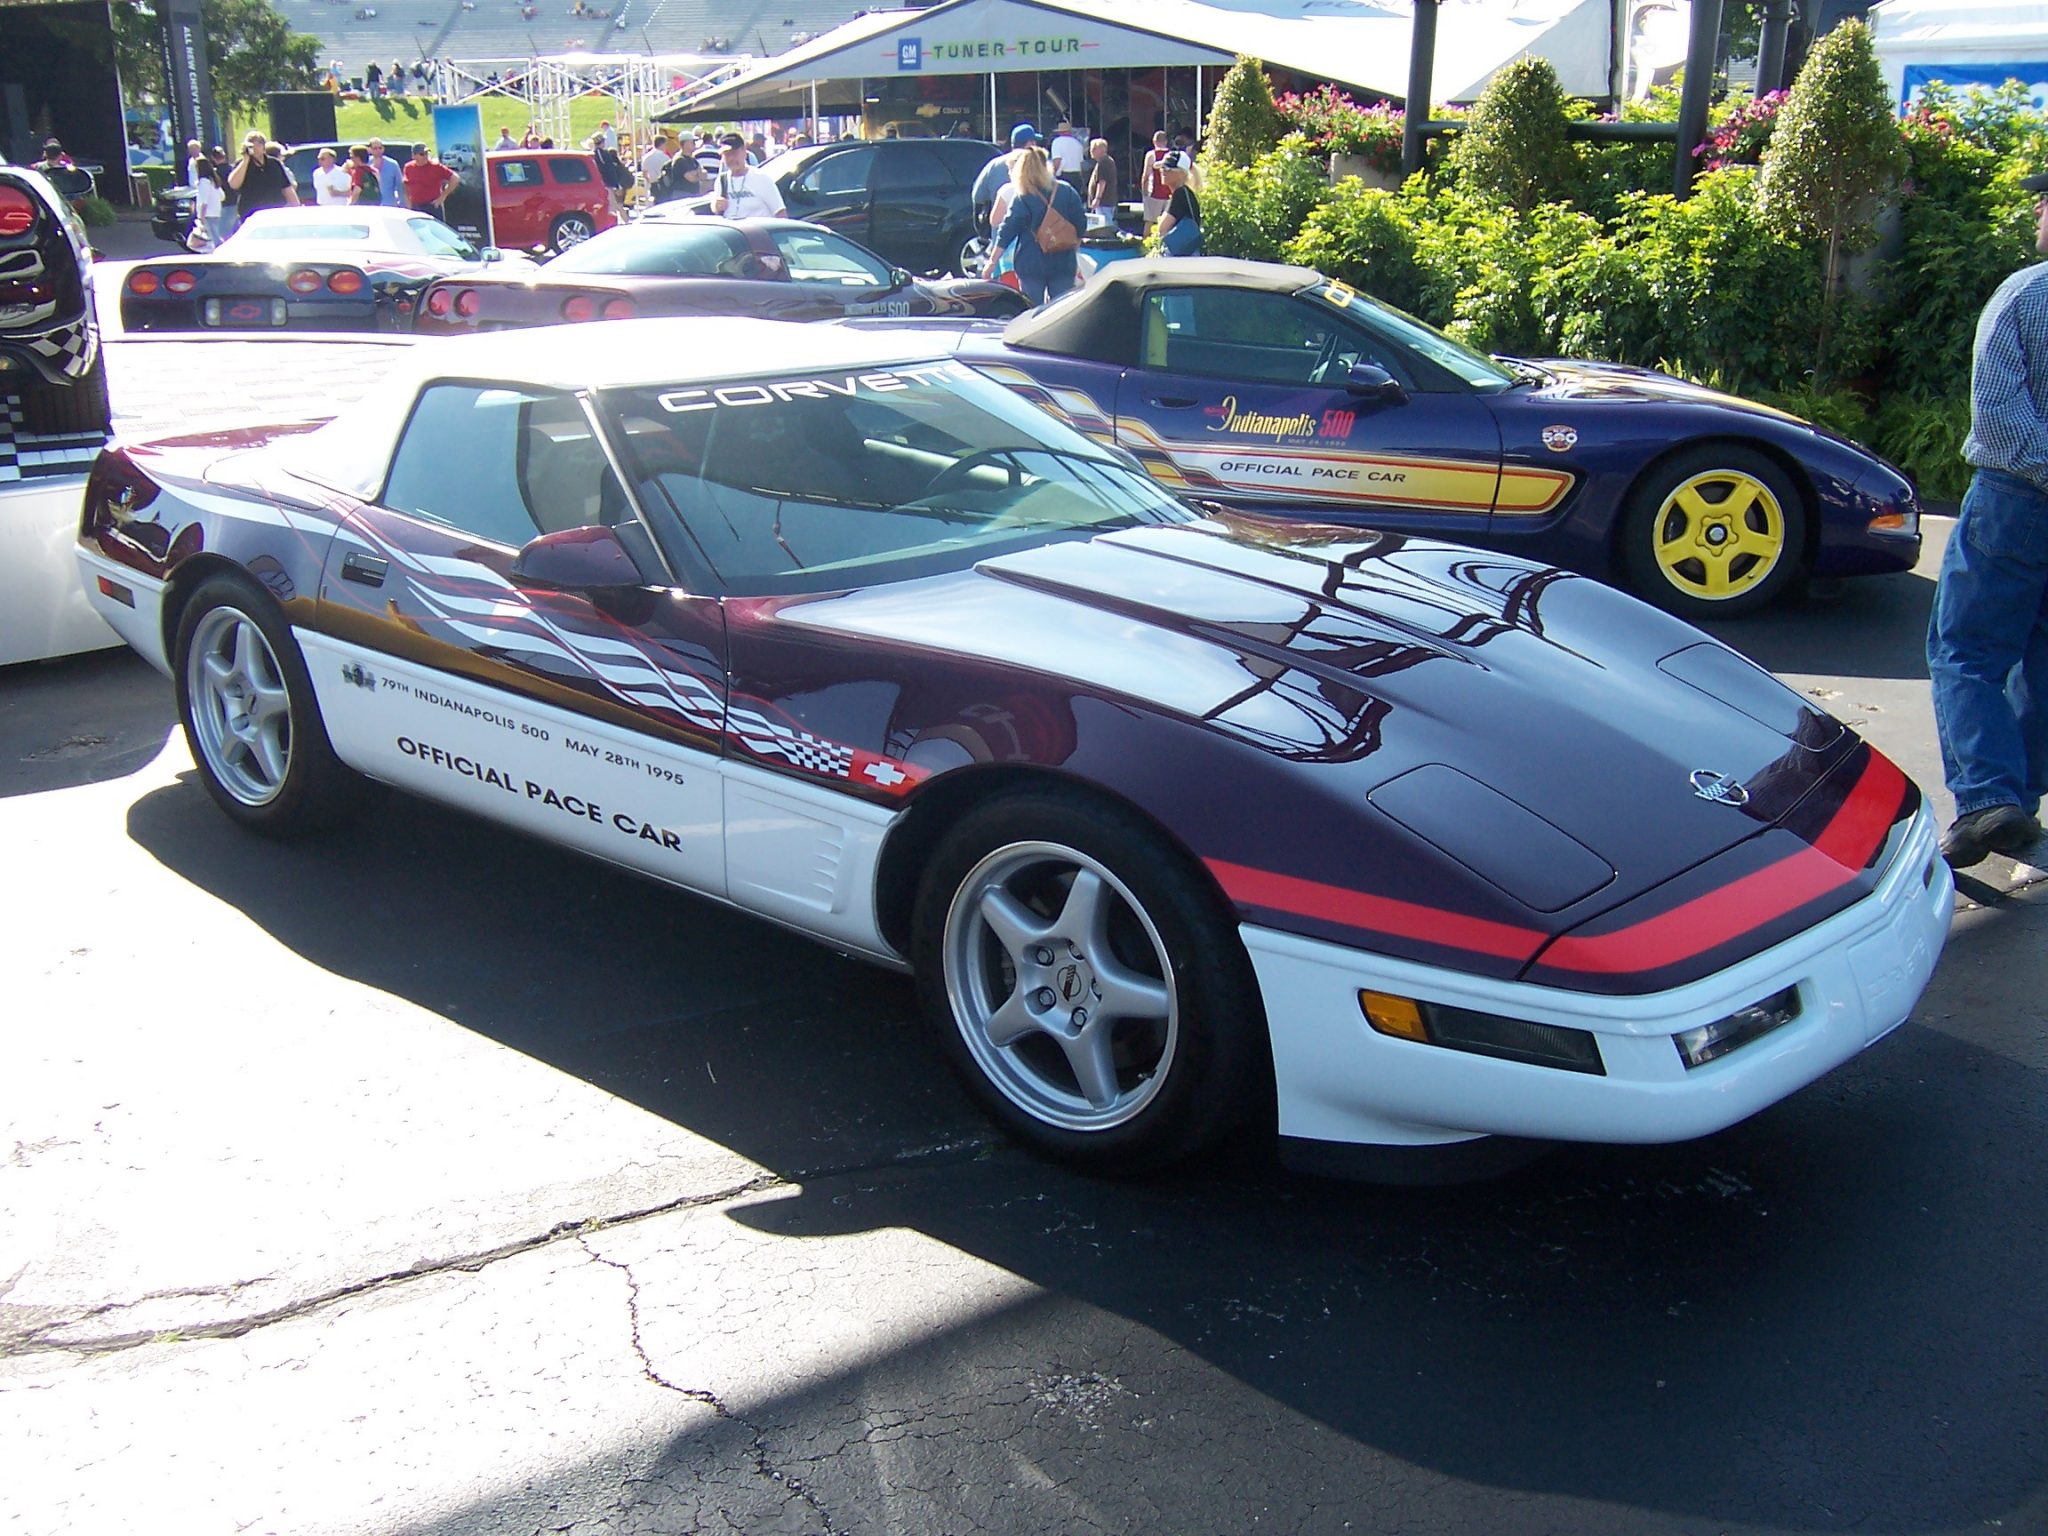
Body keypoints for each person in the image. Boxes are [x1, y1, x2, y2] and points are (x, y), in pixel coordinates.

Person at [1927, 168, 2048, 868]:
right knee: (2042, 653)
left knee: (1966, 650)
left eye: (2045, 197)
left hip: (2015, 500)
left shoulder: (2027, 293)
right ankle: (2018, 801)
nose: (2037, 205)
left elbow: (1999, 423)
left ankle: (1986, 797)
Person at [981, 144, 1084, 307]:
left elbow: (1007, 230)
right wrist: (1071, 247)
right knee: (1063, 309)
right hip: (1063, 261)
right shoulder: (1067, 191)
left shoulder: (1022, 196)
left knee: (1031, 310)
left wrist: (992, 262)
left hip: (1031, 262)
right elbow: (1081, 224)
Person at [973, 123, 1036, 231]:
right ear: (1031, 143)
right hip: (1034, 236)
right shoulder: (1040, 166)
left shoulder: (994, 165)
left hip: (1000, 234)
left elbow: (978, 197)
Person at [709, 132, 784, 218]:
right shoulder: (722, 181)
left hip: (758, 230)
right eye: (727, 154)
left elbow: (780, 212)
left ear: (744, 152)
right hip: (733, 230)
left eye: (734, 153)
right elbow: (717, 208)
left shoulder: (761, 178)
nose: (731, 158)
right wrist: (716, 207)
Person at [226, 132, 293, 215]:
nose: (255, 148)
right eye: (252, 146)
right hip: (250, 214)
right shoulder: (242, 165)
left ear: (264, 147)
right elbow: (233, 184)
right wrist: (246, 159)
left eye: (259, 144)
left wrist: (296, 207)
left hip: (275, 212)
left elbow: (287, 188)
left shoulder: (274, 164)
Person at [1154, 149, 1201, 255]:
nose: (1162, 171)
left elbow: (1162, 229)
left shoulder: (1180, 194)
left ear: (1181, 173)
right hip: (1188, 255)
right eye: (1162, 167)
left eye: (1168, 168)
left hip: (1179, 258)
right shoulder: (1185, 193)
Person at [400, 144, 458, 218]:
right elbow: (405, 184)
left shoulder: (436, 167)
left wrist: (443, 196)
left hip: (433, 206)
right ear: (414, 156)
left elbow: (455, 178)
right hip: (416, 206)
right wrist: (408, 202)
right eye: (422, 154)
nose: (425, 156)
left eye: (427, 153)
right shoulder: (408, 167)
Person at [189, 155, 226, 250]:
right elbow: (222, 196)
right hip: (216, 211)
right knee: (214, 234)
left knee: (213, 238)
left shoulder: (203, 182)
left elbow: (204, 201)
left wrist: (201, 217)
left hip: (207, 213)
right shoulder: (214, 181)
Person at [1140, 130, 1170, 234]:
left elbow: (1146, 175)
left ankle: (1145, 244)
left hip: (1154, 193)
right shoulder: (1171, 155)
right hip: (1169, 193)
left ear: (1154, 141)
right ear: (1166, 141)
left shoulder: (1151, 155)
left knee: (1150, 222)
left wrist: (1144, 191)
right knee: (1167, 223)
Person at [1049, 118, 1086, 193]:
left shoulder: (1057, 142)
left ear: (1060, 132)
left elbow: (1057, 161)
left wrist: (1052, 174)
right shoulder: (1078, 144)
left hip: (1064, 176)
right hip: (1077, 176)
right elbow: (1081, 164)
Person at [364, 138, 403, 208]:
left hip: (389, 205)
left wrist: (402, 204)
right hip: (370, 205)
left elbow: (400, 186)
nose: (378, 150)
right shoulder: (365, 164)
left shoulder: (393, 164)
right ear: (369, 150)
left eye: (380, 148)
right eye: (375, 148)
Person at [1085, 137, 1117, 220]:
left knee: (1104, 225)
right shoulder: (1106, 161)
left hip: (1104, 202)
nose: (1091, 151)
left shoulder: (1104, 162)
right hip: (1106, 202)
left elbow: (1102, 182)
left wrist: (1097, 198)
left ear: (1100, 150)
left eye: (1094, 148)